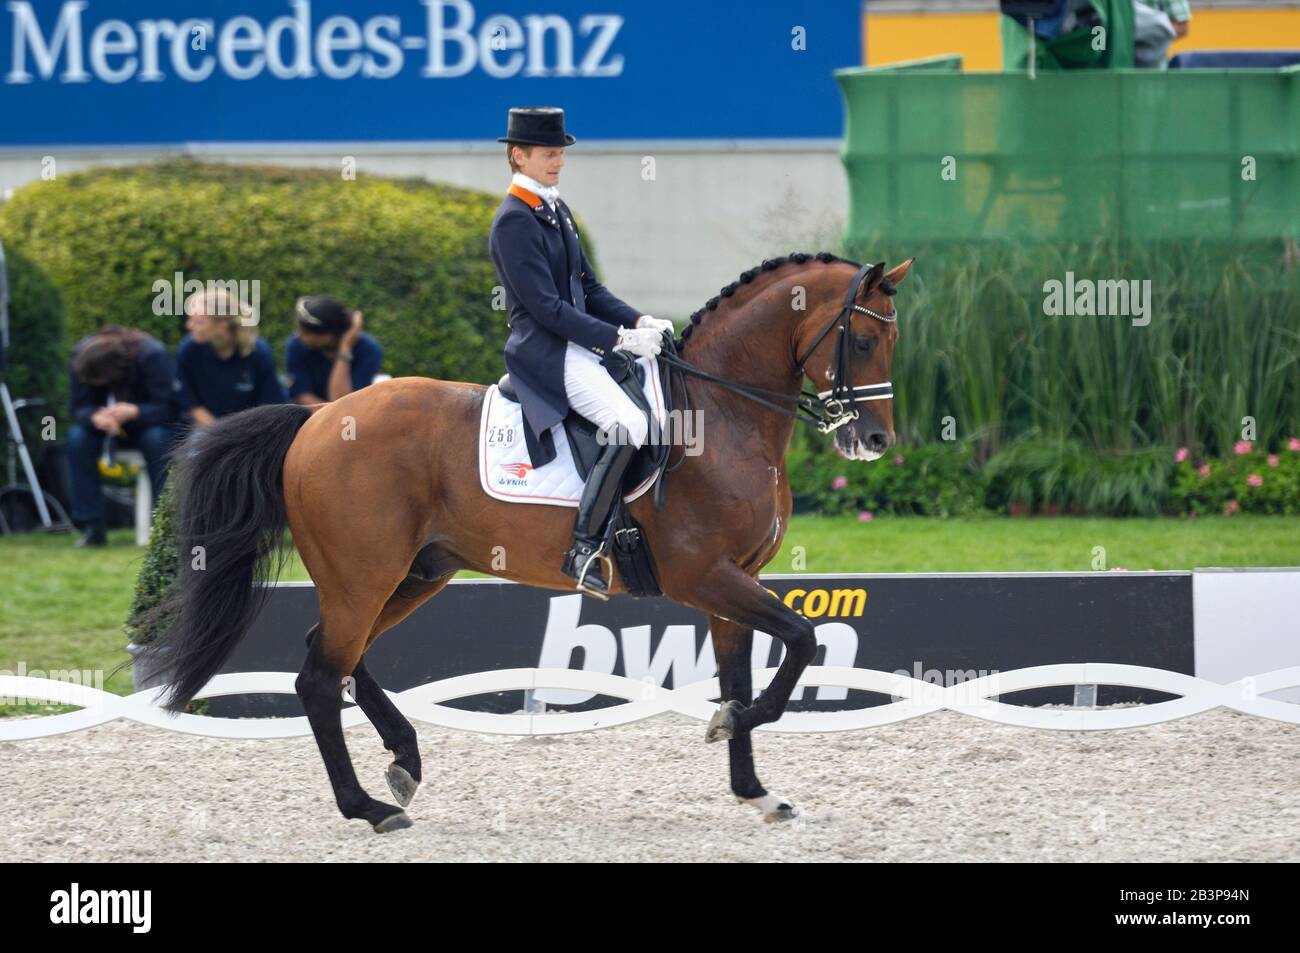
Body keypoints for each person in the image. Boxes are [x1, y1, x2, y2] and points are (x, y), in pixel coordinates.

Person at [487, 106, 673, 597]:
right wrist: (616, 340)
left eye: (560, 153)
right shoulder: (513, 221)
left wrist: (637, 320)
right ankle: (583, 547)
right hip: (547, 353)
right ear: (518, 156)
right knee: (629, 425)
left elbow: (589, 289)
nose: (558, 162)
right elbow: (546, 308)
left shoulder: (554, 209)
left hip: (579, 347)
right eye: (549, 154)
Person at [66, 326, 178, 547]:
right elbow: (77, 407)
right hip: (104, 425)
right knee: (77, 438)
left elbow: (172, 409)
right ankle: (91, 525)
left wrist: (135, 412)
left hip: (148, 424)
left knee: (156, 439)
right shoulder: (82, 357)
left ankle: (165, 522)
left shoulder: (152, 356)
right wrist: (95, 417)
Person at [175, 286, 286, 425]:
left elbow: (270, 406)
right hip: (206, 428)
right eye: (190, 319)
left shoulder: (258, 352)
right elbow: (191, 404)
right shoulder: (189, 349)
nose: (188, 326)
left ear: (222, 326)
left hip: (251, 429)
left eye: (198, 322)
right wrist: (220, 435)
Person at [285, 295, 383, 404]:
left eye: (306, 333)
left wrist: (345, 349)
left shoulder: (368, 351)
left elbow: (343, 402)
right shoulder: (297, 345)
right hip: (309, 416)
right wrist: (328, 418)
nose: (299, 336)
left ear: (329, 335)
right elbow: (301, 395)